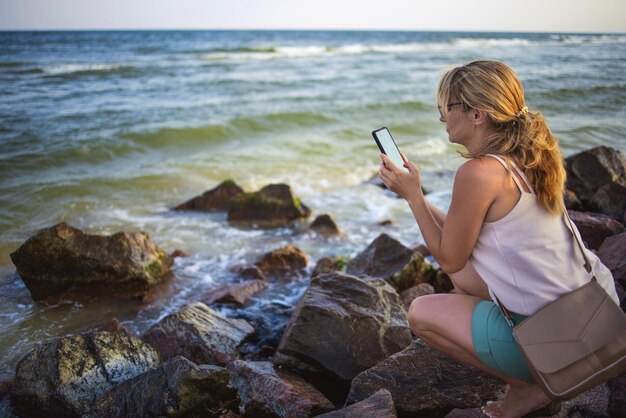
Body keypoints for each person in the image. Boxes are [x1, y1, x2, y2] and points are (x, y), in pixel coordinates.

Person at [378, 60, 619, 418]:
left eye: (447, 107)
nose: (441, 117)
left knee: (420, 312)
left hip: (561, 346)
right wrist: (417, 194)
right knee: (463, 281)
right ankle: (525, 363)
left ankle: (528, 388)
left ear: (477, 114)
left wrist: (413, 198)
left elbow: (449, 259)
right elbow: (462, 234)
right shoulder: (528, 156)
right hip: (599, 314)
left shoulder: (478, 173)